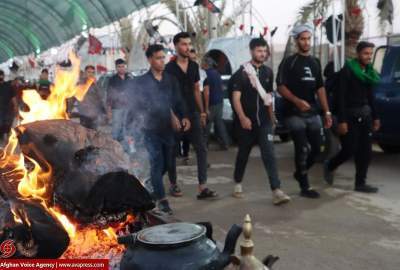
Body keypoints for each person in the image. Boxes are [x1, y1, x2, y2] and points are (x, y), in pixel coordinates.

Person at [127, 44, 190, 214]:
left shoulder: (171, 80)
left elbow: (178, 101)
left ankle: (151, 185)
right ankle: (162, 201)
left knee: (167, 164)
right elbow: (139, 106)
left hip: (168, 130)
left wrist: (184, 116)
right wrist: (131, 131)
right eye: (158, 58)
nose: (162, 61)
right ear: (149, 60)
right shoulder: (141, 82)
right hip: (149, 129)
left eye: (163, 57)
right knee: (156, 162)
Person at [230, 38, 291, 205]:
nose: (262, 54)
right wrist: (242, 118)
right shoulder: (241, 73)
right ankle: (238, 182)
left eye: (264, 51)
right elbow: (236, 99)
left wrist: (272, 118)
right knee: (243, 153)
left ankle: (276, 190)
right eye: (259, 51)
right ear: (251, 51)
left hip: (264, 122)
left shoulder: (268, 72)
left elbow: (268, 98)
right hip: (246, 123)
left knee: (269, 154)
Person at [276, 24, 332, 199]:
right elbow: (280, 87)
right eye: (303, 39)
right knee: (302, 148)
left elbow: (320, 89)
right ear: (296, 40)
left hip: (313, 113)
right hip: (293, 113)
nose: (306, 42)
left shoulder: (315, 62)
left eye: (308, 39)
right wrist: (296, 101)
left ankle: (301, 172)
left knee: (318, 149)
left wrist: (327, 112)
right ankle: (304, 186)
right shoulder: (288, 62)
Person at [165, 32, 218, 200]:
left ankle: (202, 187)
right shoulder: (169, 69)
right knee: (173, 151)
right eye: (183, 44)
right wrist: (173, 116)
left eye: (189, 44)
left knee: (201, 148)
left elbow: (197, 89)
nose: (187, 47)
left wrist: (202, 111)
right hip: (176, 115)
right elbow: (166, 95)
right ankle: (173, 184)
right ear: (176, 46)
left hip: (193, 113)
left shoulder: (194, 66)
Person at [324, 41, 380, 193]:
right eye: (365, 53)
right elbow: (340, 97)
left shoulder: (369, 72)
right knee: (349, 149)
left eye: (370, 54)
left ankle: (360, 183)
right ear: (358, 54)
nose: (368, 57)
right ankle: (330, 165)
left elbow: (370, 96)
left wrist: (376, 117)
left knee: (366, 151)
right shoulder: (347, 71)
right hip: (349, 116)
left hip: (366, 116)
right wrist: (342, 121)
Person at [202, 57, 231, 150]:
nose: (201, 65)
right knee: (219, 123)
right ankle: (225, 143)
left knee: (207, 124)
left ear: (206, 64)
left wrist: (206, 107)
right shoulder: (217, 73)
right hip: (219, 102)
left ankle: (204, 144)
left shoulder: (206, 74)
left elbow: (207, 92)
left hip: (211, 103)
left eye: (203, 63)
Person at [70, 65, 107, 129]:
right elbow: (74, 97)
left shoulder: (96, 84)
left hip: (94, 112)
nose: (91, 74)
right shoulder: (80, 83)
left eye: (92, 72)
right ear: (85, 73)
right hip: (84, 112)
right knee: (84, 131)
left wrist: (96, 85)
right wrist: (70, 109)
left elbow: (101, 96)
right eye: (89, 72)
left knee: (94, 132)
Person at [106, 58, 132, 142]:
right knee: (116, 126)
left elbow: (134, 91)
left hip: (128, 107)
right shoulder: (112, 80)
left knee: (126, 126)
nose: (121, 68)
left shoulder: (130, 78)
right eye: (119, 66)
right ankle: (114, 144)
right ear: (116, 68)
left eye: (123, 66)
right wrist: (109, 109)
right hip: (116, 107)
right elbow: (109, 94)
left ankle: (124, 145)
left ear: (125, 67)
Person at [0, 70, 17, 142]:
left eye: (1, 75)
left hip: (6, 108)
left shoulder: (7, 85)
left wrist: (15, 106)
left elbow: (13, 97)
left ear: (3, 76)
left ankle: (5, 137)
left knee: (6, 123)